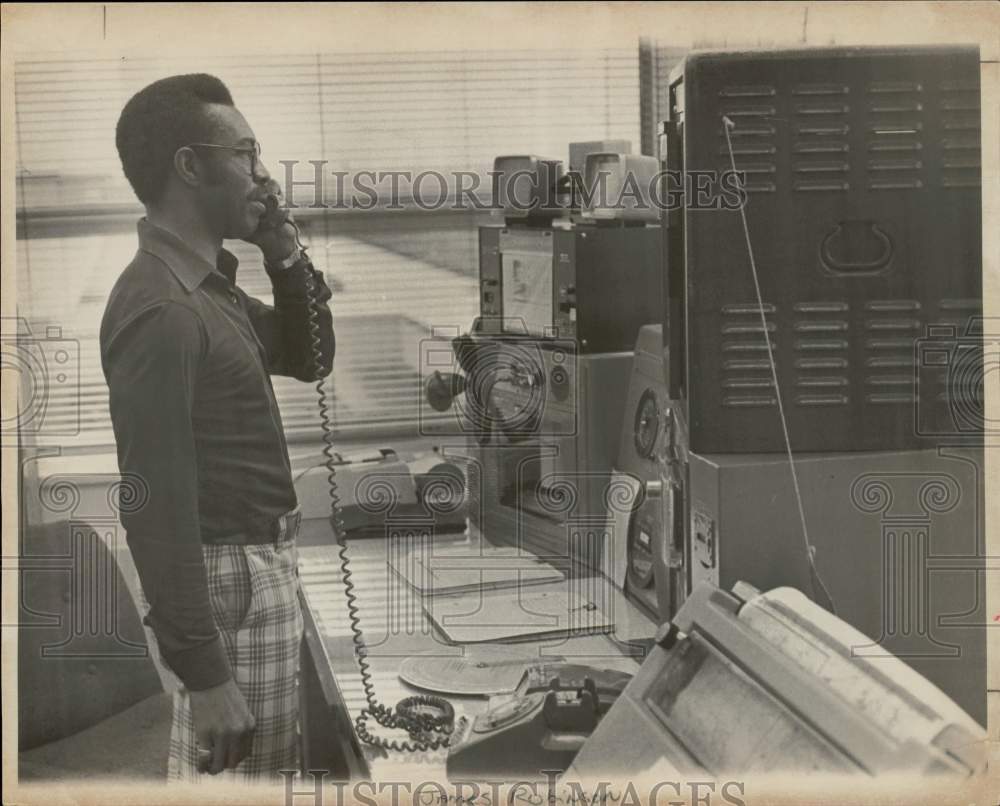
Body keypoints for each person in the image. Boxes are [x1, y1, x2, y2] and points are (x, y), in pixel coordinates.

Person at [100, 73, 335, 782]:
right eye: (247, 153)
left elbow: (307, 357)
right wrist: (206, 676)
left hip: (252, 569)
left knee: (263, 779)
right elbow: (154, 502)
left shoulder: (208, 289)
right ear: (190, 165)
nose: (264, 174)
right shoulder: (164, 310)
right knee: (242, 787)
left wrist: (285, 255)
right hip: (227, 577)